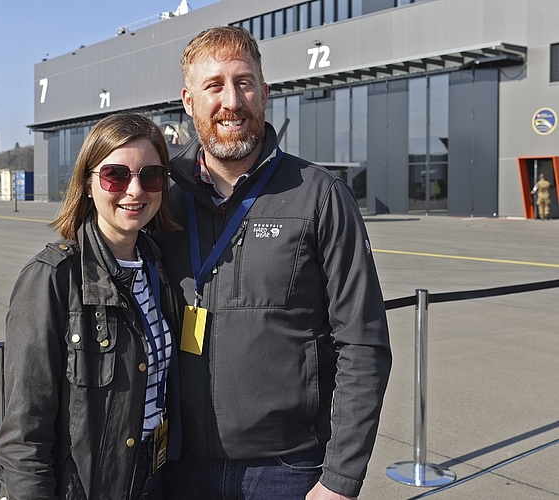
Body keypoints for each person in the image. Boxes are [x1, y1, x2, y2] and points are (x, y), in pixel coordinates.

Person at [154, 26, 392, 500]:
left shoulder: (321, 196)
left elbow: (363, 343)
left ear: (265, 93)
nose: (231, 100)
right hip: (176, 469)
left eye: (243, 83)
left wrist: (341, 479)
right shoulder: (161, 199)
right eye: (213, 85)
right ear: (188, 100)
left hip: (288, 472)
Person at [0, 113, 182, 500]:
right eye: (116, 175)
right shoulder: (53, 278)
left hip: (150, 478)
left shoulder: (158, 269)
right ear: (89, 184)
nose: (135, 190)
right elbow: (24, 437)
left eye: (151, 175)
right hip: (85, 487)